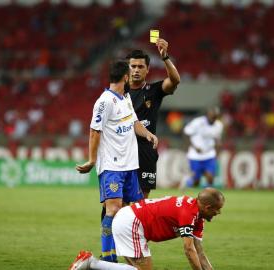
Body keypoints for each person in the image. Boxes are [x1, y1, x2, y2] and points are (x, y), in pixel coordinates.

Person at [76, 60, 158, 263]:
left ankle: (132, 253)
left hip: (130, 166)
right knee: (113, 209)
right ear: (125, 77)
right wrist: (92, 160)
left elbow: (133, 122)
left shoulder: (126, 97)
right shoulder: (104, 102)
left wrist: (147, 134)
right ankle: (108, 258)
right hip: (112, 167)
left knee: (136, 210)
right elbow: (94, 132)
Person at [69, 188, 224, 270]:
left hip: (132, 222)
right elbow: (189, 250)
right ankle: (90, 263)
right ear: (208, 207)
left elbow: (199, 252)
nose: (219, 213)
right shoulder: (188, 213)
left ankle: (90, 263)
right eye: (217, 209)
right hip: (131, 223)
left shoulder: (198, 217)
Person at [125, 40, 180, 199]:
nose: (136, 70)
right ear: (127, 69)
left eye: (140, 67)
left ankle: (138, 224)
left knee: (141, 200)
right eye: (133, 66)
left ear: (147, 69)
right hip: (122, 149)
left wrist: (165, 57)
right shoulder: (119, 92)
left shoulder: (154, 90)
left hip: (145, 150)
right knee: (119, 199)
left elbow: (175, 80)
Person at [182, 107, 224, 188]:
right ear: (207, 115)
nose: (214, 119)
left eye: (215, 117)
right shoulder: (197, 122)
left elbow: (217, 139)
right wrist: (193, 147)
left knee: (210, 177)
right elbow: (186, 133)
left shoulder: (219, 125)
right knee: (196, 181)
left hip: (209, 154)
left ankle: (208, 196)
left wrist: (217, 152)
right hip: (195, 155)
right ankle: (188, 182)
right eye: (212, 117)